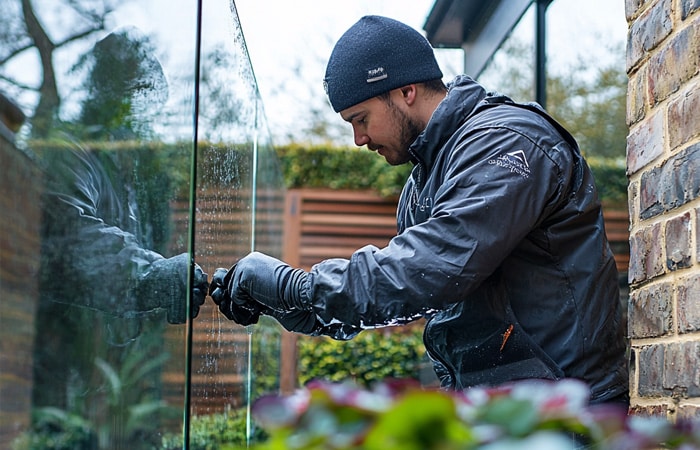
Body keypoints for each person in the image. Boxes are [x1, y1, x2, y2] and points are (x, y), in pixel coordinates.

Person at [209, 15, 628, 405]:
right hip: (506, 409)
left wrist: (297, 287)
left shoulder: (505, 142)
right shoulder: (421, 183)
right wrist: (296, 309)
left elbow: (426, 270)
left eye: (361, 118)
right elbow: (407, 291)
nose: (358, 139)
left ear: (406, 92)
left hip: (573, 410)